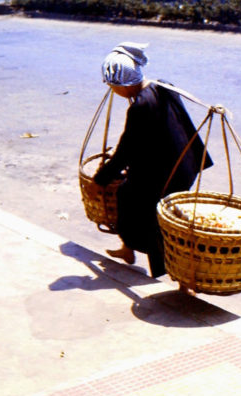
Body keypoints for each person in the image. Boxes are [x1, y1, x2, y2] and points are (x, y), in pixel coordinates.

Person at [93, 42, 212, 281]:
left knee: (149, 214)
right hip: (185, 162)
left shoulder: (139, 107)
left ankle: (173, 275)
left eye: (113, 85)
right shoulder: (162, 85)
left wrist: (103, 177)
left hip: (168, 173)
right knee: (127, 195)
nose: (113, 90)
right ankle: (127, 248)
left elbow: (125, 149)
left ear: (121, 84)